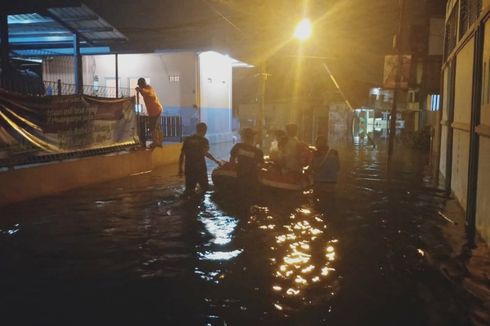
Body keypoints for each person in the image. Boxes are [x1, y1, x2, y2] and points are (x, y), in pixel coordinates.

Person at [178, 122, 221, 197]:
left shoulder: (187, 139)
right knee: (204, 188)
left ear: (197, 129)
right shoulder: (204, 140)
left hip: (189, 167)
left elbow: (182, 155)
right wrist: (216, 161)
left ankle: (187, 204)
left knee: (189, 189)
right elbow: (205, 153)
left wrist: (180, 168)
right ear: (205, 130)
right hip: (200, 168)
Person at [135, 78, 163, 148]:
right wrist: (140, 90)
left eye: (140, 85)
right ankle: (158, 142)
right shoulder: (144, 90)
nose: (140, 86)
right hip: (153, 111)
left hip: (156, 110)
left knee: (153, 127)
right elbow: (143, 93)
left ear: (142, 84)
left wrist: (140, 90)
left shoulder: (149, 88)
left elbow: (147, 92)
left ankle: (156, 142)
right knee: (155, 127)